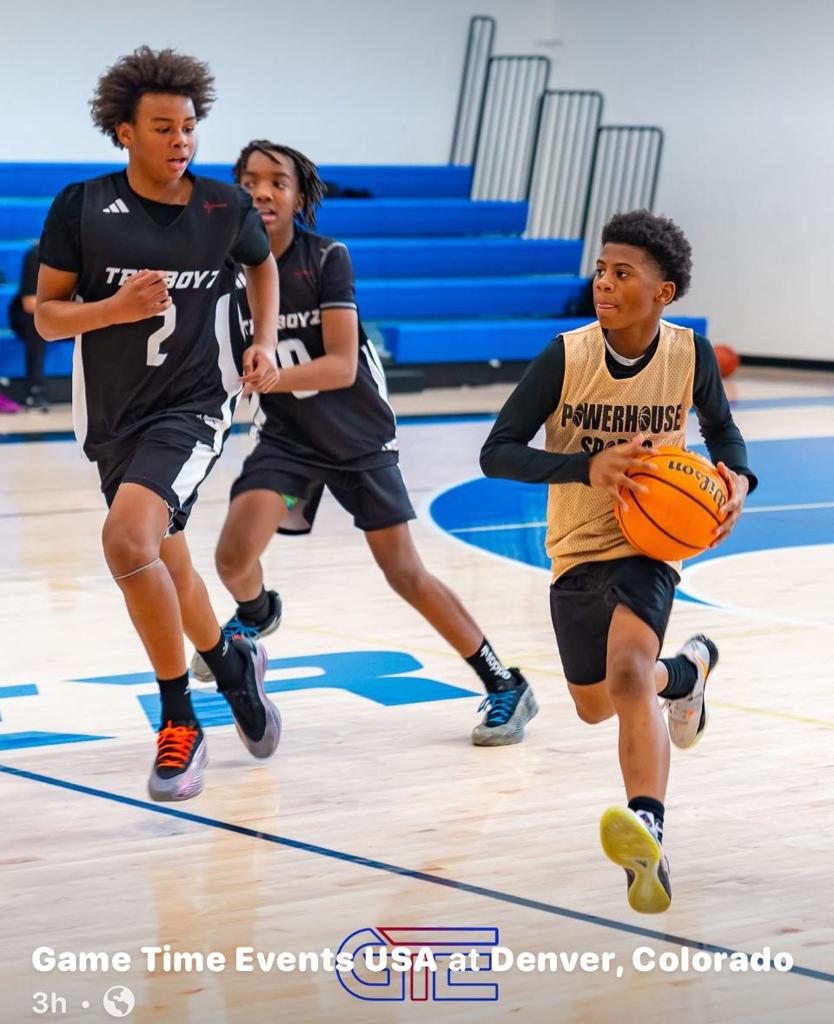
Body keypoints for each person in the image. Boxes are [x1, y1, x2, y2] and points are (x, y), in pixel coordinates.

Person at [190, 140, 537, 746]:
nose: (263, 191)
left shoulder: (326, 257)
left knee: (403, 571)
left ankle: (504, 682)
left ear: (300, 196)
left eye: (278, 182)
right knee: (232, 556)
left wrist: (270, 377)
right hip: (288, 441)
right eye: (250, 181)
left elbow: (342, 365)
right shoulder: (225, 272)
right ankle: (257, 614)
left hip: (357, 437)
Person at [480, 210, 757, 913]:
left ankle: (648, 835)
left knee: (629, 674)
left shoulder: (689, 355)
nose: (603, 283)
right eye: (601, 271)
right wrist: (586, 466)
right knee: (595, 705)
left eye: (622, 273)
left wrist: (738, 480)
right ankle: (687, 675)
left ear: (663, 293)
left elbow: (723, 431)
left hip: (651, 545)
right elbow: (497, 452)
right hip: (576, 548)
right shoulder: (565, 357)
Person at [34, 47, 282, 802]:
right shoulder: (82, 207)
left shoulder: (223, 208)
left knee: (125, 541)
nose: (181, 141)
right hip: (113, 418)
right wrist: (113, 309)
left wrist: (263, 339)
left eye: (189, 127)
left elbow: (262, 264)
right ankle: (232, 664)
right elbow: (47, 318)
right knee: (165, 561)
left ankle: (180, 720)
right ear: (124, 132)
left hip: (194, 406)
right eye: (163, 127)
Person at [8, 243, 49, 410]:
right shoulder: (37, 254)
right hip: (25, 315)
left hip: (68, 311)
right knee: (37, 323)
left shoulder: (87, 256)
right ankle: (35, 390)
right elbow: (30, 303)